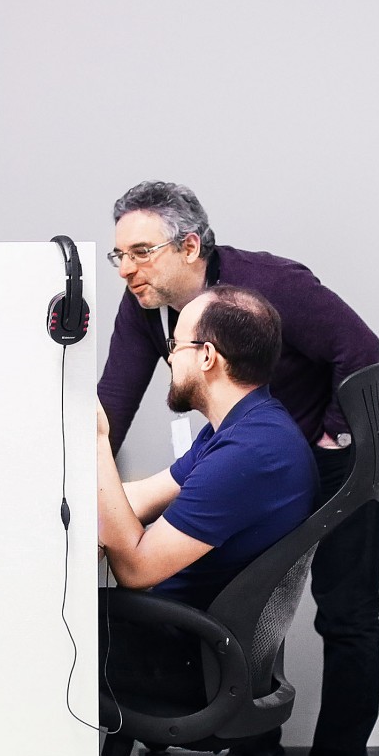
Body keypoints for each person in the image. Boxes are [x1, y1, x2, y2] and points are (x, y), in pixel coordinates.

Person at [98, 180, 379, 756]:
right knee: (243, 587)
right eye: (119, 255)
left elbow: (360, 350)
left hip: (334, 460)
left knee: (346, 616)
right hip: (255, 454)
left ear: (188, 246)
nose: (126, 269)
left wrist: (331, 437)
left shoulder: (269, 286)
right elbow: (112, 403)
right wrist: (78, 468)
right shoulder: (147, 303)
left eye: (140, 253)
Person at [96, 285, 315, 708]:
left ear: (207, 356)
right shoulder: (243, 427)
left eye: (175, 346)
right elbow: (139, 498)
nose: (169, 359)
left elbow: (136, 570)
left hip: (182, 657)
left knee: (42, 630)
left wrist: (98, 441)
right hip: (185, 639)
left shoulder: (249, 454)